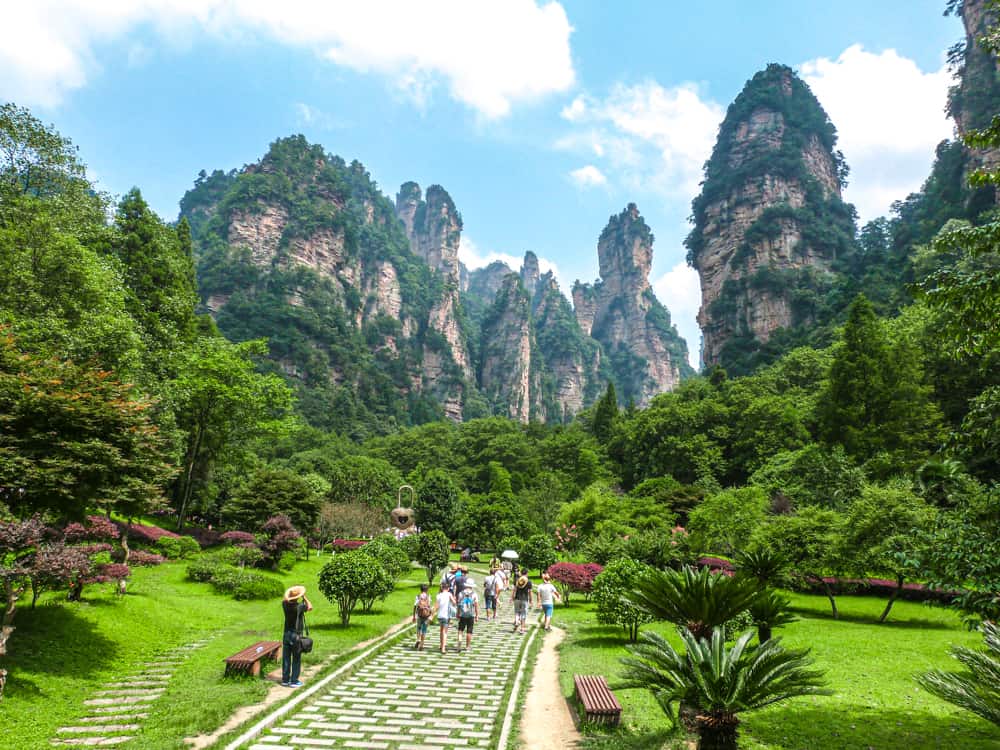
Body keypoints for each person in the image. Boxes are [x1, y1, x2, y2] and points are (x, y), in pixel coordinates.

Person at [281, 585, 313, 687]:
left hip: (286, 634)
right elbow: (310, 607)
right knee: (296, 658)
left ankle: (285, 680)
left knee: (286, 658)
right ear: (297, 597)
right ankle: (294, 681)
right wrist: (304, 597)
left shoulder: (284, 604)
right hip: (296, 635)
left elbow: (285, 599)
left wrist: (290, 595)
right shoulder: (299, 607)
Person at [456, 578, 479, 652]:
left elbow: (459, 604)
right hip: (471, 614)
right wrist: (477, 615)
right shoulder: (474, 594)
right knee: (469, 631)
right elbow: (476, 605)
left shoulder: (460, 593)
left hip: (462, 614)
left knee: (460, 629)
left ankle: (459, 643)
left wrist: (458, 613)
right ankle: (468, 646)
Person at [435, 581, 456, 654]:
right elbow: (454, 603)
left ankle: (441, 645)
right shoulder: (449, 594)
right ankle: (443, 648)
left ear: (442, 587)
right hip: (446, 615)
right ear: (448, 588)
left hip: (439, 615)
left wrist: (432, 614)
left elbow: (436, 606)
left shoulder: (439, 595)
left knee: (441, 630)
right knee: (445, 632)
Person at [412, 582, 433, 650]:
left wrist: (414, 616)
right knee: (424, 629)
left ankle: (418, 639)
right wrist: (431, 615)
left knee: (418, 628)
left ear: (420, 589)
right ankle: (422, 644)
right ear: (427, 590)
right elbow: (429, 606)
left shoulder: (418, 596)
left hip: (419, 615)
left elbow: (415, 606)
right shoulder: (428, 596)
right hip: (426, 615)